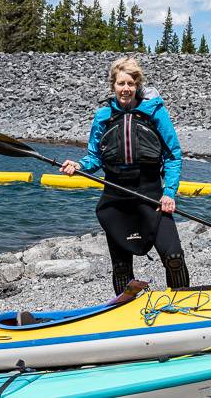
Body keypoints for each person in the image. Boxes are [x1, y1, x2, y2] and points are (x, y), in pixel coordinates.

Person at [60, 57, 190, 295]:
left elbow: (173, 155)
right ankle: (125, 311)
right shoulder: (103, 116)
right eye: (121, 83)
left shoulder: (155, 112)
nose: (126, 89)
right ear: (113, 85)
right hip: (116, 199)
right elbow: (95, 157)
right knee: (121, 268)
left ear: (137, 85)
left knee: (173, 256)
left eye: (131, 83)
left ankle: (182, 305)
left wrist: (169, 192)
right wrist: (78, 165)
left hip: (152, 197)